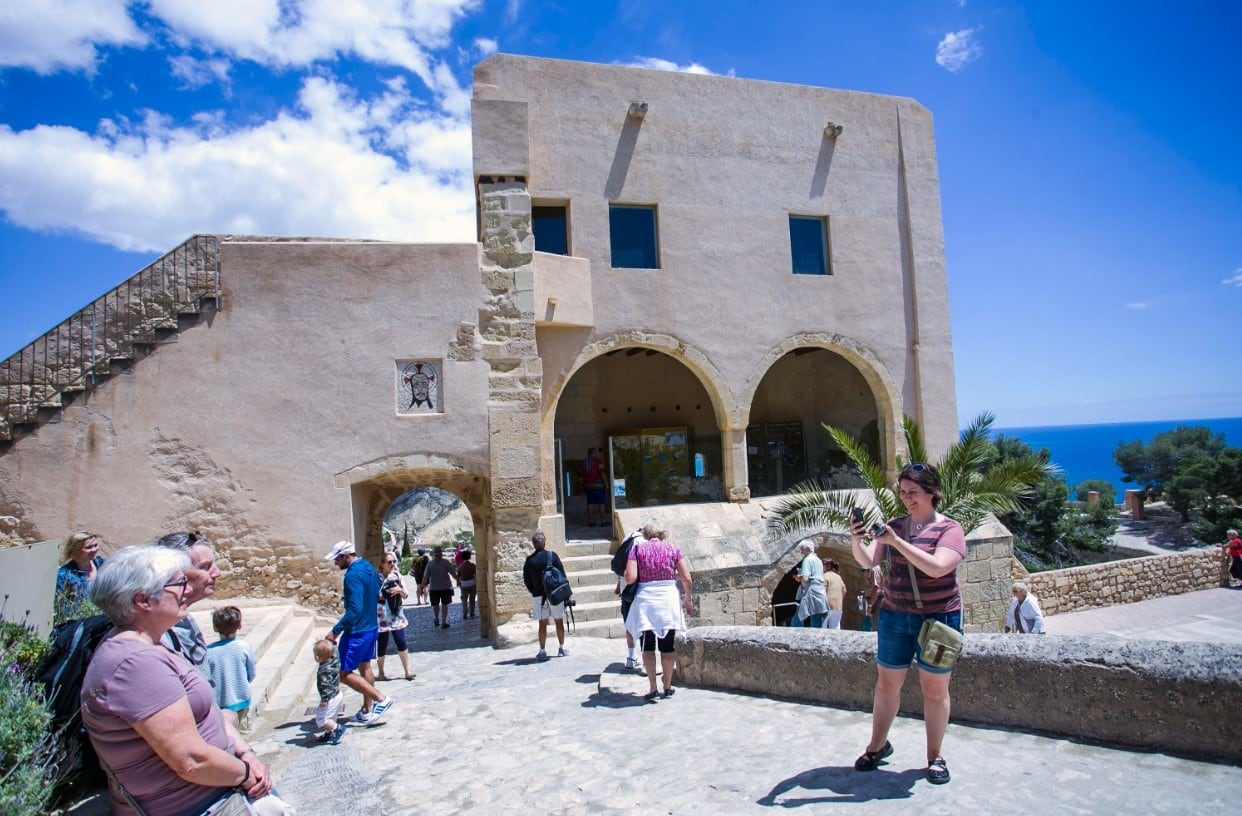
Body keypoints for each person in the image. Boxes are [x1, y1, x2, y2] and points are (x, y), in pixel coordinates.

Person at [82, 545, 291, 816]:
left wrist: (245, 751)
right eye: (178, 583)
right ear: (143, 600)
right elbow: (191, 760)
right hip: (203, 805)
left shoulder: (151, 645)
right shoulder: (135, 665)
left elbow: (205, 716)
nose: (187, 590)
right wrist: (246, 774)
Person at [850, 462, 967, 786]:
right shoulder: (894, 525)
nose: (906, 498)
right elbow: (869, 560)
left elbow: (938, 567)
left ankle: (934, 756)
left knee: (934, 690)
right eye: (902, 492)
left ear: (932, 493)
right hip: (895, 615)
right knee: (886, 684)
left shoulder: (949, 530)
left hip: (939, 619)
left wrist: (897, 542)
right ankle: (877, 746)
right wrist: (856, 540)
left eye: (912, 492)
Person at [324, 540, 393, 725]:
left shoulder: (352, 575)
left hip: (357, 631)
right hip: (371, 626)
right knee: (365, 667)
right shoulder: (367, 567)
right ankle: (367, 709)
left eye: (337, 559)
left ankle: (380, 699)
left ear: (346, 556)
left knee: (343, 673)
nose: (335, 562)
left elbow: (354, 608)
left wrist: (335, 631)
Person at [623, 523, 694, 700]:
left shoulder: (637, 550)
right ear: (662, 534)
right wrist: (687, 598)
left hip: (646, 600)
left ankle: (653, 686)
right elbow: (686, 577)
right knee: (667, 645)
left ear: (646, 535)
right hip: (668, 599)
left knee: (648, 645)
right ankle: (668, 686)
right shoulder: (673, 549)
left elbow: (630, 577)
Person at [154, 531, 222, 680]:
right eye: (205, 567)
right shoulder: (160, 635)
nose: (217, 573)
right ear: (177, 572)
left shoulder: (184, 619)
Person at [205, 606, 256, 729]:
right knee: (241, 731)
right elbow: (251, 673)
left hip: (219, 702)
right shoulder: (244, 647)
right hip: (241, 698)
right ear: (239, 625)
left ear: (215, 627)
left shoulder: (208, 651)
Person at [523, 532, 568, 660]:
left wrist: (534, 591)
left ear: (533, 544)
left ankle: (542, 650)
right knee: (559, 621)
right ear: (544, 542)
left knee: (542, 624)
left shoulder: (530, 560)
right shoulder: (552, 556)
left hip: (539, 596)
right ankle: (561, 648)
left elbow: (526, 580)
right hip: (554, 595)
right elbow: (562, 574)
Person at [376, 553, 414, 681]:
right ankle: (381, 672)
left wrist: (400, 591)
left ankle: (407, 671)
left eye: (394, 561)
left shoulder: (397, 576)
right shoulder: (376, 578)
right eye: (389, 562)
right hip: (381, 615)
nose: (392, 564)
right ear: (382, 564)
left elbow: (406, 594)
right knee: (382, 643)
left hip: (396, 614)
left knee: (401, 641)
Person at [55, 530, 106, 621]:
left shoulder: (102, 564)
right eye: (88, 547)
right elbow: (63, 607)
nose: (94, 549)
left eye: (95, 545)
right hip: (80, 621)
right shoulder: (64, 575)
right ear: (75, 551)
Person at [312, 639, 346, 745]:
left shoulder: (323, 670)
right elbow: (335, 649)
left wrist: (324, 700)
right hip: (337, 693)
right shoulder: (334, 659)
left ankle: (337, 728)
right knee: (331, 716)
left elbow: (326, 686)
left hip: (330, 697)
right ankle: (329, 733)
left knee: (322, 719)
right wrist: (333, 644)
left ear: (318, 657)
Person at [790, 540, 828, 628]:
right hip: (820, 591)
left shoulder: (807, 560)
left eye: (802, 549)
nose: (801, 552)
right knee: (816, 619)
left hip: (811, 591)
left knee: (798, 619)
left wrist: (798, 578)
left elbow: (805, 579)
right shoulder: (818, 560)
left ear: (807, 548)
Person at [420, 545, 456, 628]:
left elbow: (426, 577)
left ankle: (436, 619)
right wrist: (458, 579)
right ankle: (443, 621)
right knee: (444, 604)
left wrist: (422, 586)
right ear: (441, 554)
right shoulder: (446, 562)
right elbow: (452, 572)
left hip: (434, 587)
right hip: (445, 586)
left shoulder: (430, 564)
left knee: (435, 604)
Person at [580, 447, 607, 528]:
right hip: (598, 486)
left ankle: (591, 522)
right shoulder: (598, 461)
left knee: (590, 504)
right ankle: (603, 521)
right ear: (594, 453)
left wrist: (581, 486)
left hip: (587, 486)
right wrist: (606, 483)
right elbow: (602, 473)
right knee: (601, 503)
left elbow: (580, 476)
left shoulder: (582, 463)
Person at [823, 558, 847, 629]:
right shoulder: (838, 577)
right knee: (836, 628)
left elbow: (822, 591)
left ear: (827, 566)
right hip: (839, 606)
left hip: (828, 606)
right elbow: (844, 590)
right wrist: (839, 600)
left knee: (823, 628)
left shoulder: (824, 576)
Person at [458, 549, 478, 620]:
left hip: (464, 584)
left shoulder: (460, 567)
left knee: (464, 600)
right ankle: (472, 613)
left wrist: (459, 585)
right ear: (469, 557)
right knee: (472, 599)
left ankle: (465, 613)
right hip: (472, 583)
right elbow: (476, 574)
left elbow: (458, 577)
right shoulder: (472, 565)